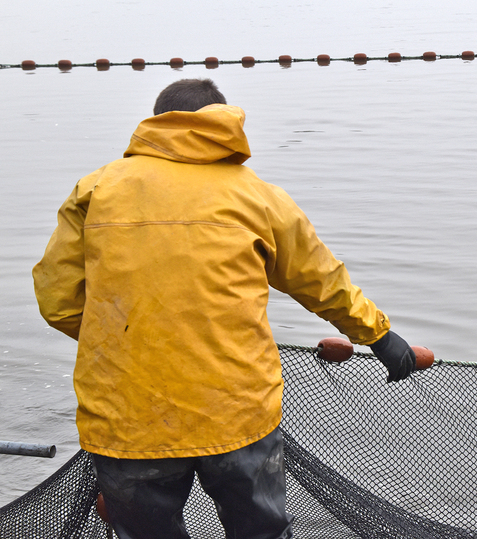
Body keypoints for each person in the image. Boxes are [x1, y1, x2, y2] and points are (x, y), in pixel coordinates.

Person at [32, 78, 416, 539]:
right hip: (238, 412)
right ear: (222, 121)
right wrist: (379, 336)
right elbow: (321, 280)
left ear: (156, 124)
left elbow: (57, 299)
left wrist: (130, 341)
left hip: (129, 416)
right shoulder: (258, 196)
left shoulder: (97, 189)